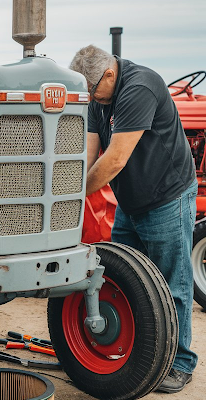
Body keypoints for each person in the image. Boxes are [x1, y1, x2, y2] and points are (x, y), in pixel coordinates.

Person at [70, 45, 197, 393]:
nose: (92, 98)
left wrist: (74, 197)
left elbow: (113, 160)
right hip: (131, 202)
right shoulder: (100, 100)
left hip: (166, 198)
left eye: (93, 90)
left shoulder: (139, 87)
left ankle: (181, 363)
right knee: (126, 279)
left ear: (109, 75)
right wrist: (65, 183)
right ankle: (142, 354)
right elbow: (90, 150)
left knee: (174, 285)